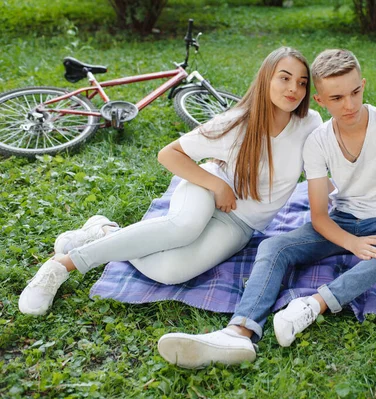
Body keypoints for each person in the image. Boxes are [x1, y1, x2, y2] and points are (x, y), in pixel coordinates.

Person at [156, 49, 376, 369]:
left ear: (363, 84)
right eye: (338, 97)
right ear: (320, 101)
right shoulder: (318, 141)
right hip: (342, 221)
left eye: (356, 92)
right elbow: (318, 216)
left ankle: (315, 305)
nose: (350, 104)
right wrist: (352, 243)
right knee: (274, 246)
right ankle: (239, 332)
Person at [18, 47, 322, 316]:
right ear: (267, 78)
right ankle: (62, 266)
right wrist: (217, 185)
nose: (294, 88)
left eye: (301, 82)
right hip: (207, 187)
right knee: (183, 227)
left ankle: (105, 231)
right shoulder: (236, 123)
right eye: (284, 77)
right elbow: (170, 154)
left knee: (170, 271)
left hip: (240, 223)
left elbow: (318, 174)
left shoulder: (310, 123)